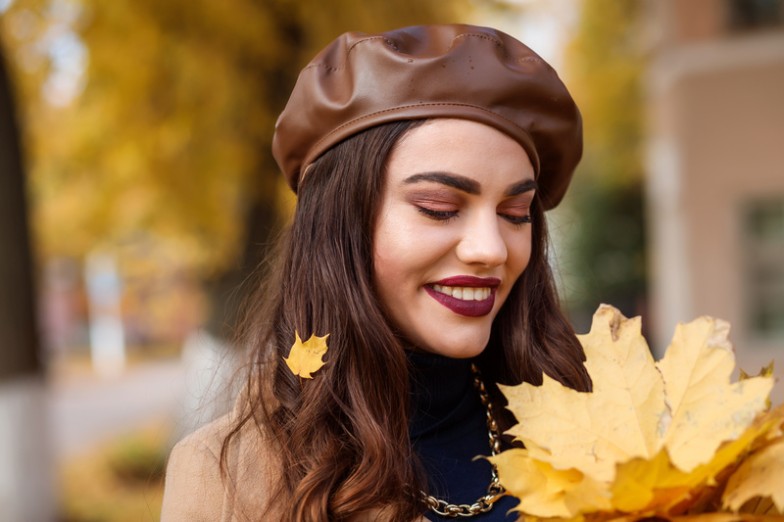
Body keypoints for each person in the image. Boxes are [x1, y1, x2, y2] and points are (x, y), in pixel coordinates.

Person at [161, 23, 591, 521]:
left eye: (515, 213)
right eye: (439, 206)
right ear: (340, 227)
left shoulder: (604, 427)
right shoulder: (226, 477)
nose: (490, 249)